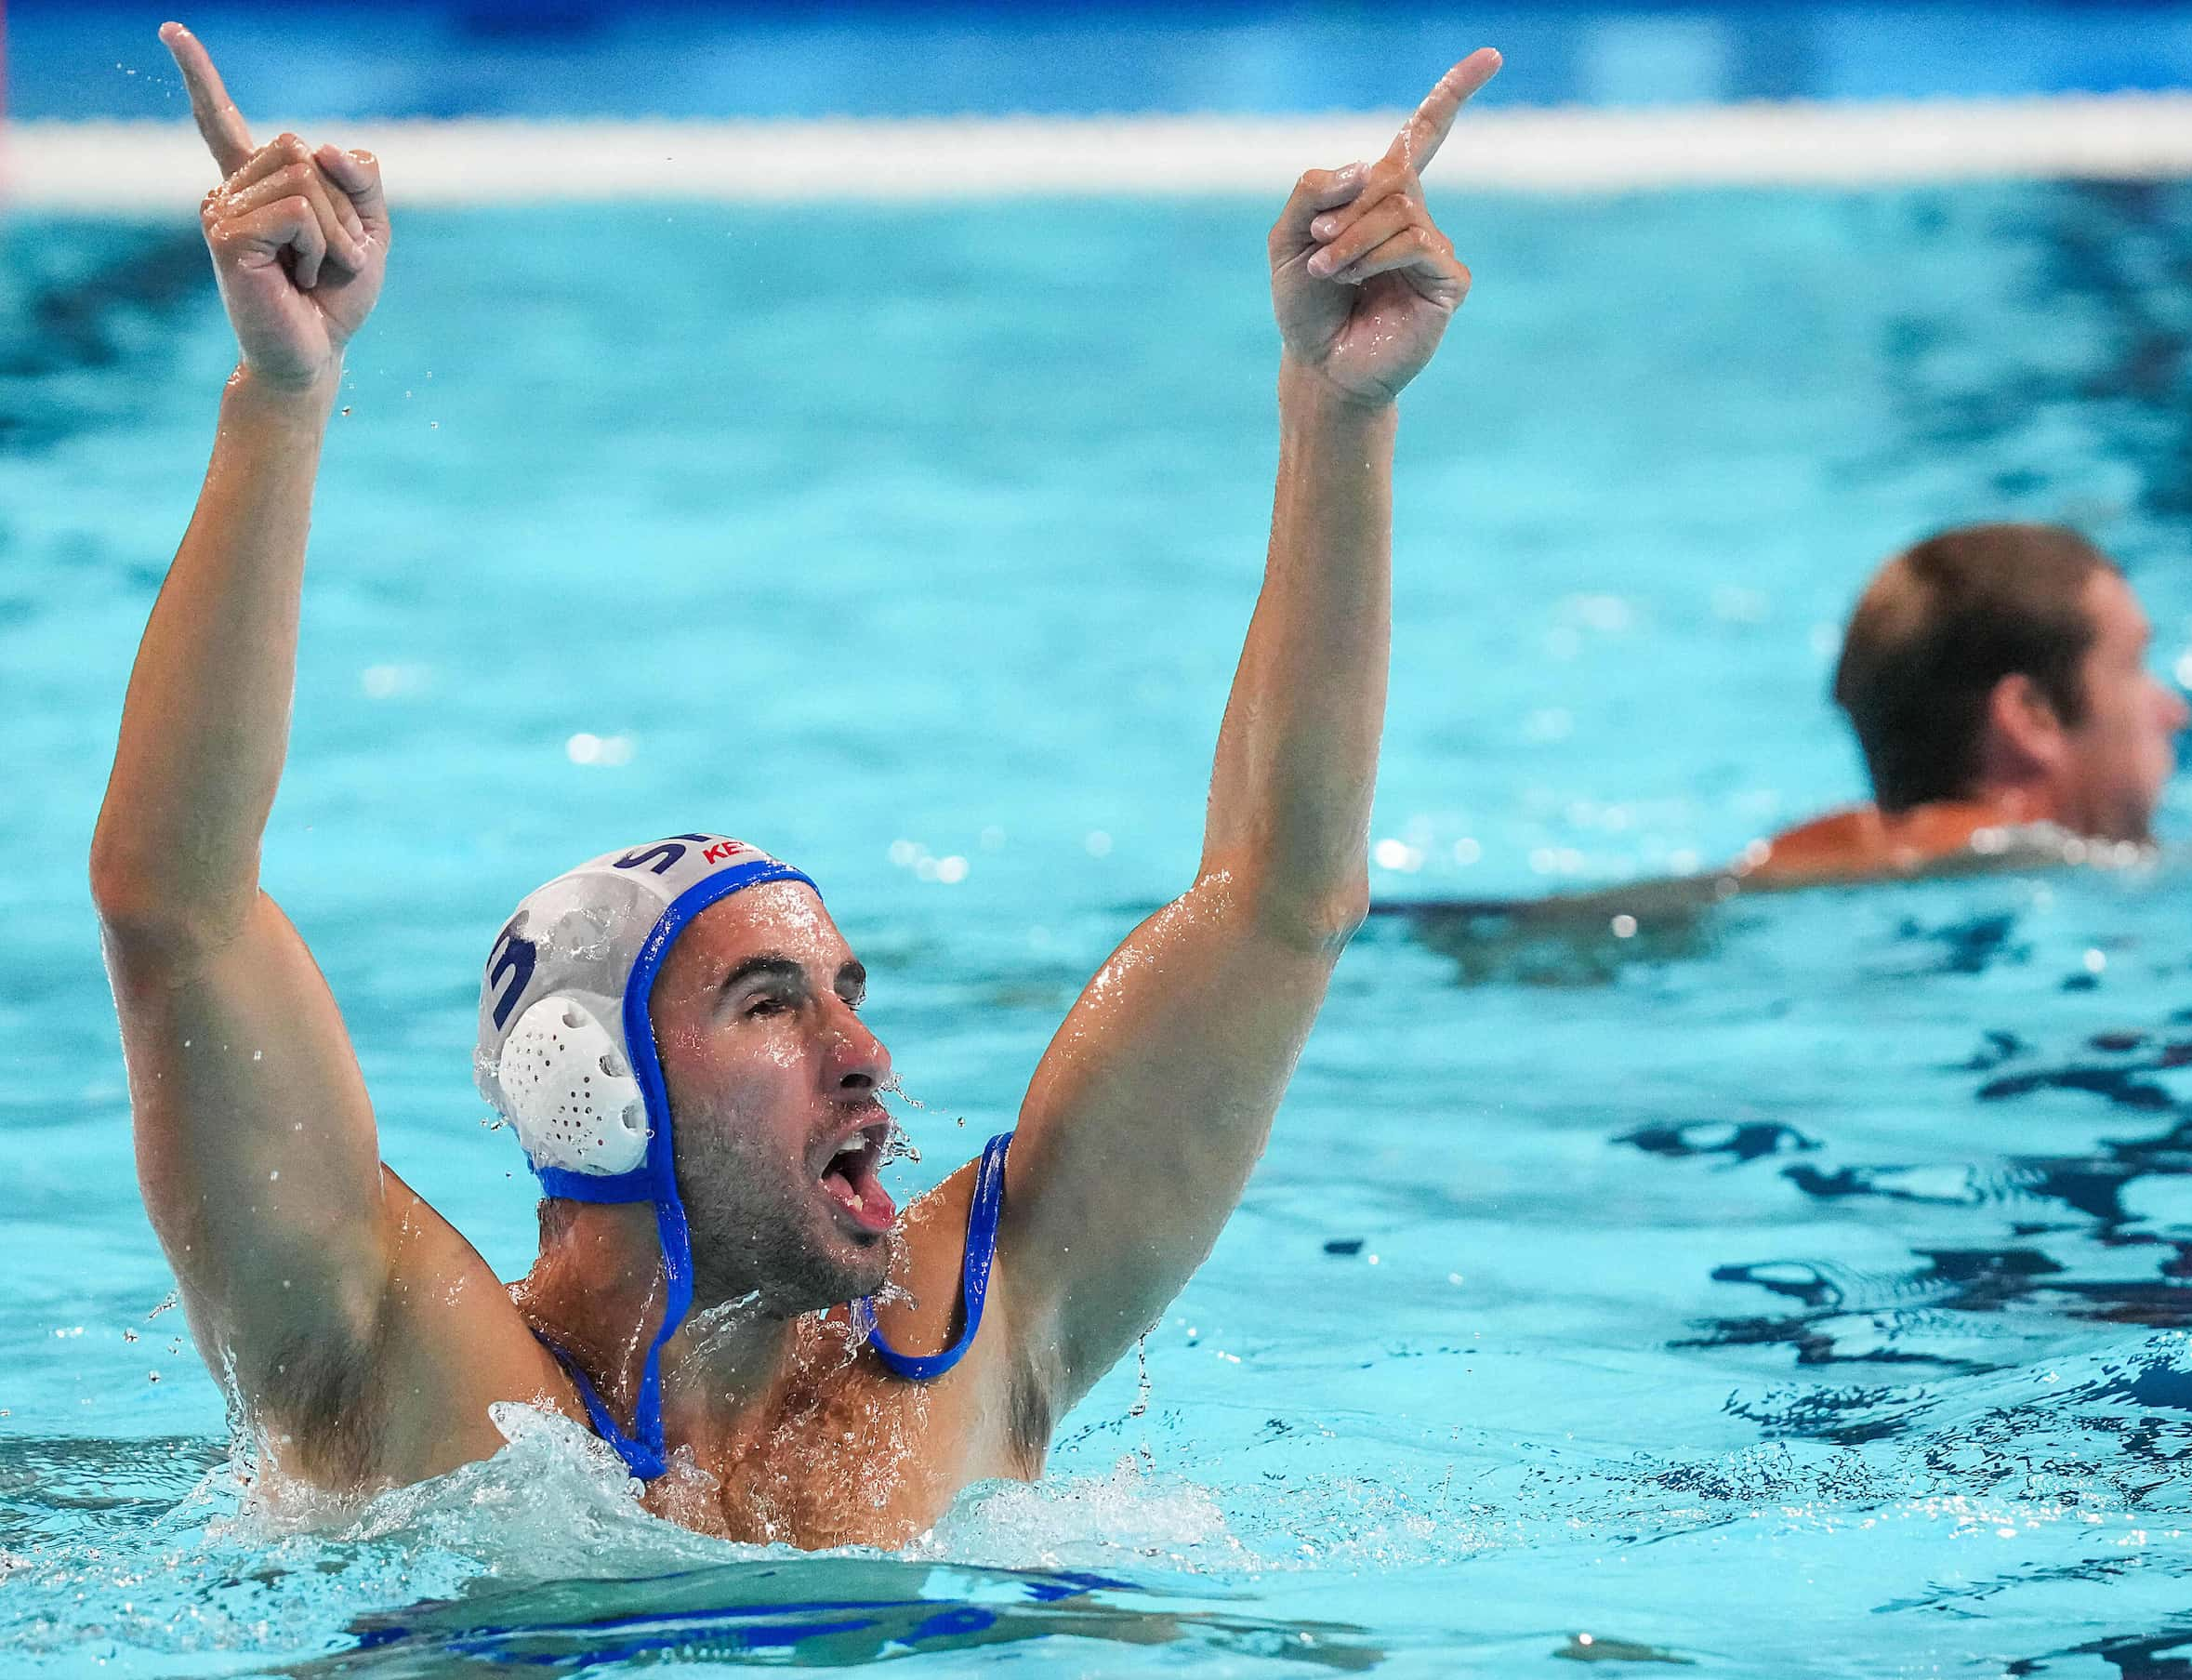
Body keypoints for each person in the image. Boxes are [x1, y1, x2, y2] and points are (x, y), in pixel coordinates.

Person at [89, 22, 1500, 1548]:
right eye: (770, 1002)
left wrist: (1338, 412)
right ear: (593, 1081)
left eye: (841, 988)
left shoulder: (968, 1339)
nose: (866, 1054)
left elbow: (1281, 905)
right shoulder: (402, 1372)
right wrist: (279, 400)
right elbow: (175, 904)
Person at [1393, 523, 2192, 970]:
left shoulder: (1834, 852)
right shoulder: (2018, 866)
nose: (2172, 710)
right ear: (2029, 716)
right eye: (2135, 666)